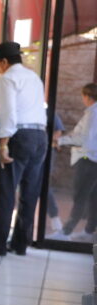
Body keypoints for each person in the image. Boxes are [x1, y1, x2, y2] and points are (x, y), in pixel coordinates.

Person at [0, 42, 48, 256]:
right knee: (29, 192)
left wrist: (3, 144)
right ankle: (20, 244)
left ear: (3, 61)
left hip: (17, 137)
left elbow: (8, 113)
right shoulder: (34, 78)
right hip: (40, 136)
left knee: (4, 190)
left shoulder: (7, 79)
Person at [51, 82, 97, 242]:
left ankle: (66, 232)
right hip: (93, 159)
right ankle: (89, 230)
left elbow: (83, 139)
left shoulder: (92, 113)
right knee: (92, 197)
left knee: (80, 196)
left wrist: (60, 141)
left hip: (87, 159)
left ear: (87, 96)